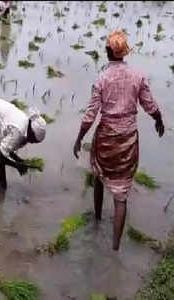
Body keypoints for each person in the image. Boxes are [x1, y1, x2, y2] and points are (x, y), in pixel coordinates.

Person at [73, 29, 165, 251]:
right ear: (124, 53)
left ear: (107, 52)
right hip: (127, 140)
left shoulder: (102, 78)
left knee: (98, 174)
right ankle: (115, 247)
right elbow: (150, 105)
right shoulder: (138, 77)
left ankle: (96, 218)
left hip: (106, 138)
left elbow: (90, 115)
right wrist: (158, 120)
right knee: (121, 194)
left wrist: (79, 139)